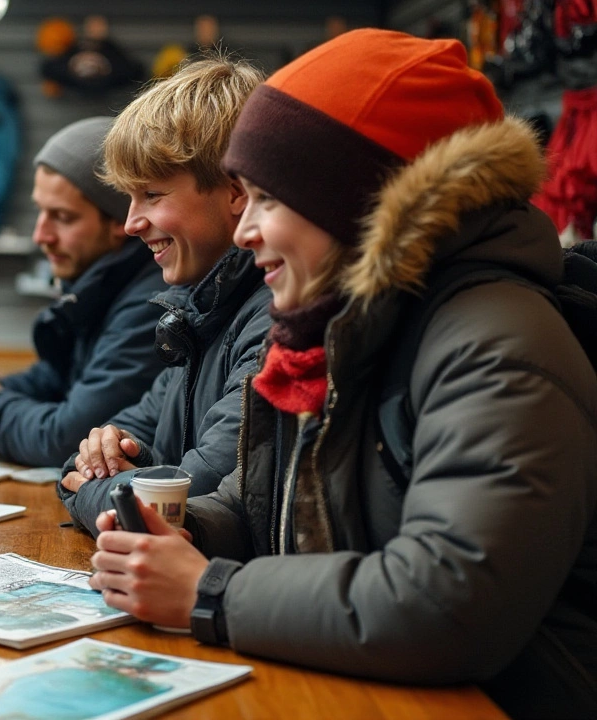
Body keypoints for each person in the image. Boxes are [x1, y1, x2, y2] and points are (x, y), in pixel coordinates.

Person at [87, 29, 597, 718]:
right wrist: (189, 534)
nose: (245, 230)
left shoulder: (496, 342)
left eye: (268, 198)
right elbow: (255, 502)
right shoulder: (344, 328)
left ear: (355, 202)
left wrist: (210, 592)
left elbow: (447, 604)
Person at [56, 53, 272, 535]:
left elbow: (175, 507)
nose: (132, 223)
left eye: (152, 195)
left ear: (235, 192)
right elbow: (84, 453)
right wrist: (114, 452)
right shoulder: (198, 314)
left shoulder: (272, 320)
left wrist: (88, 487)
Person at [0, 117, 166, 467]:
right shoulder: (104, 284)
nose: (41, 235)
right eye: (40, 211)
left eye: (63, 217)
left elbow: (71, 436)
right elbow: (57, 377)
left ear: (121, 220)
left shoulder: (151, 303)